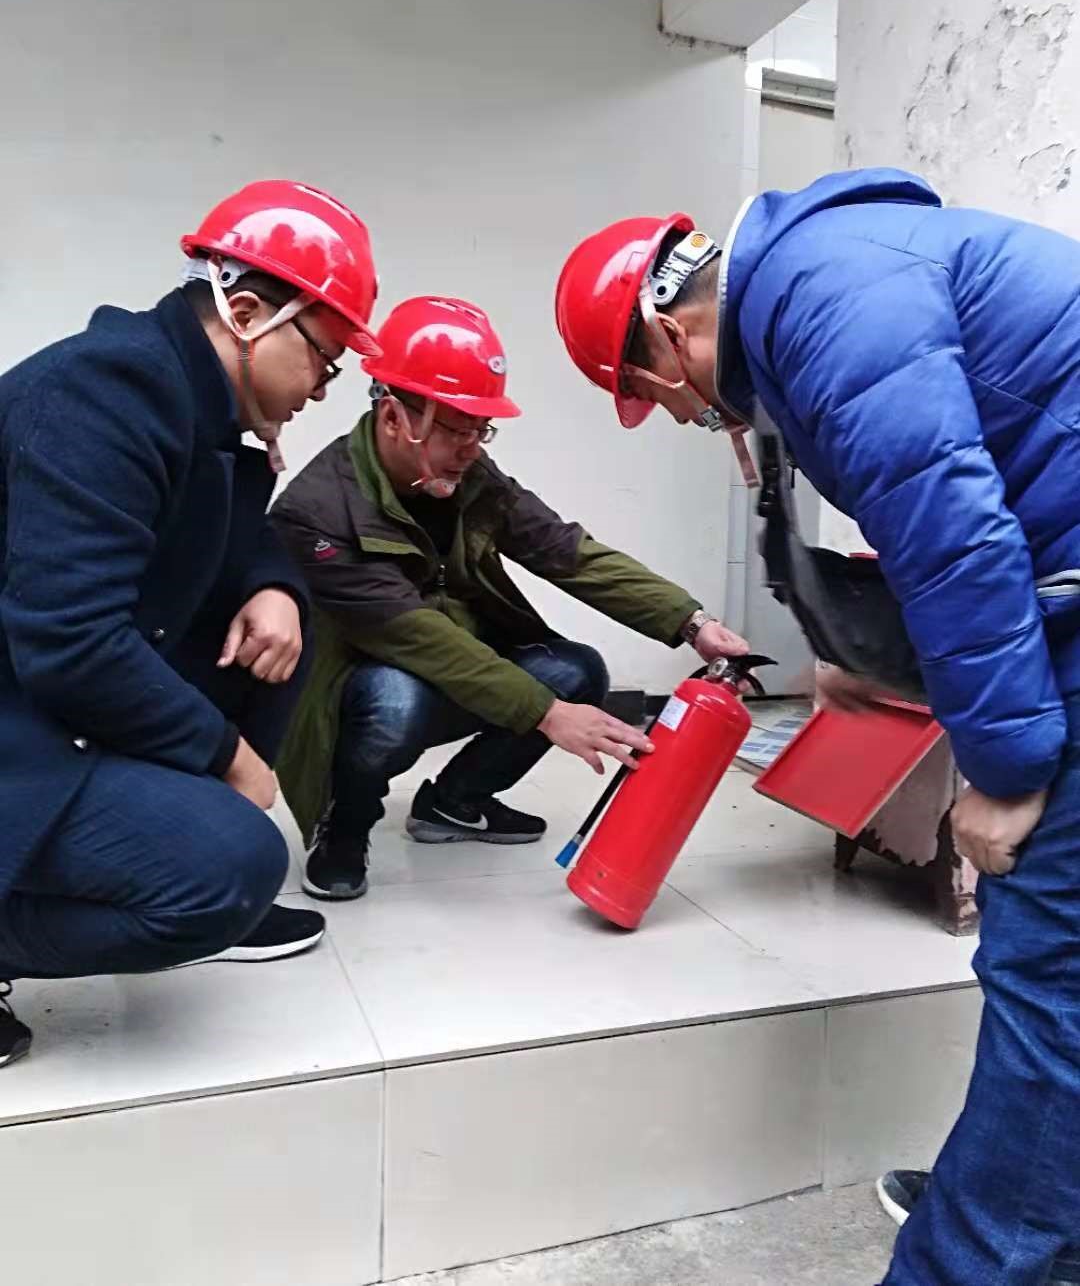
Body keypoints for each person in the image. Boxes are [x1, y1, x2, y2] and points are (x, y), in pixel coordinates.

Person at [553, 171, 1080, 1286]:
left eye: (655, 396)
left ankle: (980, 1252)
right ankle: (1025, 1195)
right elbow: (949, 496)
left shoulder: (825, 300)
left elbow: (955, 534)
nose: (685, 417)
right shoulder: (827, 279)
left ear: (668, 336)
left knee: (1050, 965)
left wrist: (1006, 770)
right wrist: (865, 643)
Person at [0, 179, 380, 1069]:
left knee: (283, 633)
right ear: (246, 314)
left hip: (43, 697)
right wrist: (228, 757)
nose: (322, 389)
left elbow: (235, 540)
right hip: (21, 712)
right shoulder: (103, 393)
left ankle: (167, 837)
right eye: (323, 361)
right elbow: (71, 641)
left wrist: (274, 587)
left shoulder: (190, 400)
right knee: (230, 868)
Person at [270, 294, 747, 901]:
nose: (473, 448)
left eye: (482, 430)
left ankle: (453, 802)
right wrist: (547, 714)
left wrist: (690, 621)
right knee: (396, 697)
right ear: (393, 417)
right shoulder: (316, 512)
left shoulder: (470, 475)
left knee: (575, 670)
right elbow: (417, 635)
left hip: (454, 666)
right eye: (457, 429)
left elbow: (566, 551)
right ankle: (343, 827)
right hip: (357, 692)